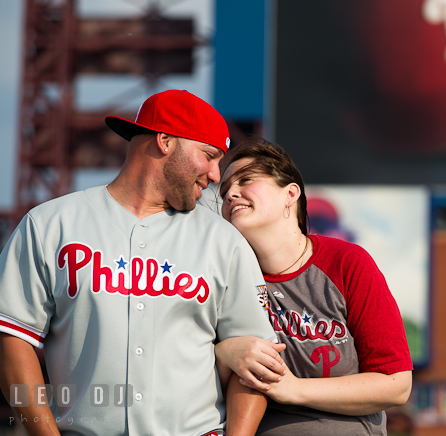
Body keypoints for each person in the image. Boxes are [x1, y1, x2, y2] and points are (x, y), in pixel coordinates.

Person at [0, 90, 283, 435]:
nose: (215, 175)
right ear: (165, 141)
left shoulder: (224, 241)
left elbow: (257, 365)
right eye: (209, 156)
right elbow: (11, 340)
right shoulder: (50, 224)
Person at [214, 136, 413, 435]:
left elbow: (396, 385)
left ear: (290, 193)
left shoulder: (347, 262)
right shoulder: (224, 276)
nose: (231, 194)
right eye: (225, 190)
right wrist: (225, 353)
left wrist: (294, 389)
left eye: (246, 180)